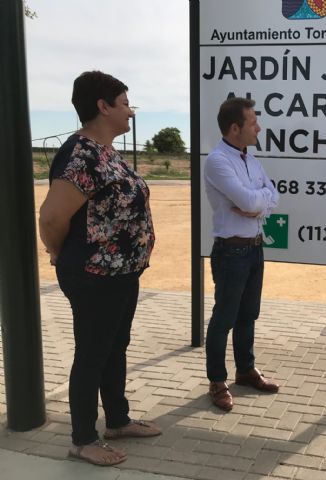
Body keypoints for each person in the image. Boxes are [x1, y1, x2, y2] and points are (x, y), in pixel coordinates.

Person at [39, 71, 161, 466]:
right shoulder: (82, 155)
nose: (131, 110)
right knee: (93, 353)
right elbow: (51, 217)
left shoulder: (107, 151)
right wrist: (60, 254)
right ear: (103, 106)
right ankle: (82, 438)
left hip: (122, 273)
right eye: (125, 102)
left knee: (114, 347)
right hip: (94, 275)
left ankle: (119, 419)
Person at [204, 97, 280, 412]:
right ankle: (217, 381)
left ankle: (245, 370)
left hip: (254, 247)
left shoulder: (251, 158)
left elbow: (272, 196)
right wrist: (257, 201)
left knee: (249, 315)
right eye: (252, 123)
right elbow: (251, 203)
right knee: (224, 318)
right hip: (231, 251)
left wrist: (258, 200)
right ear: (235, 128)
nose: (258, 128)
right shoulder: (218, 161)